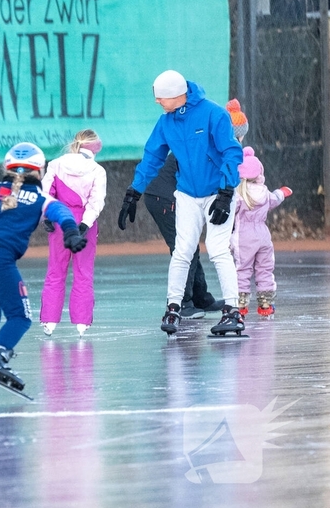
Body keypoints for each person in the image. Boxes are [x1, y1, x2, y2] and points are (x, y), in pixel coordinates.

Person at [0, 142, 87, 395]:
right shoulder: (41, 197)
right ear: (40, 171)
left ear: (6, 167)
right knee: (20, 317)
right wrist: (70, 233)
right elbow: (62, 213)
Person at [117, 70, 244, 336]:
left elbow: (231, 152)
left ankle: (233, 311)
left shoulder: (213, 114)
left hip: (216, 193)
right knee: (182, 250)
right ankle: (173, 308)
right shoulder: (166, 122)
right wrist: (134, 192)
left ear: (177, 95)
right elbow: (152, 157)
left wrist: (226, 192)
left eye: (161, 97)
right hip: (186, 194)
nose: (157, 102)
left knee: (217, 248)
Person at [141, 99, 249, 319]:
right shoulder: (214, 145)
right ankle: (183, 302)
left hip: (168, 192)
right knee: (183, 249)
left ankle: (201, 297)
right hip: (163, 195)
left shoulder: (216, 142)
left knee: (191, 248)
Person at [39, 129, 107, 338]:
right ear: (95, 148)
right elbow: (96, 201)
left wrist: (47, 216)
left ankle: (49, 320)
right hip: (84, 221)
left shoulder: (56, 164)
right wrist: (85, 225)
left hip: (60, 219)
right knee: (83, 272)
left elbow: (45, 192)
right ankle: (82, 322)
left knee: (55, 270)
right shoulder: (97, 170)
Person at [232, 146, 291, 317]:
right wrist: (282, 192)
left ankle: (240, 304)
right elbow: (275, 199)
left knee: (242, 270)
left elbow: (229, 211)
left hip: (244, 236)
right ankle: (266, 304)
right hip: (263, 235)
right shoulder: (264, 192)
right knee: (265, 269)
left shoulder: (238, 194)